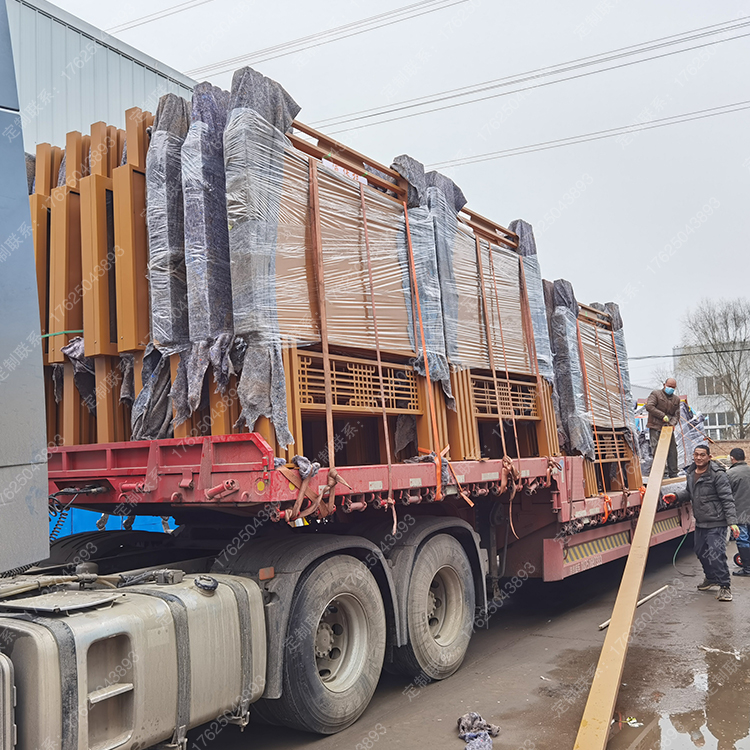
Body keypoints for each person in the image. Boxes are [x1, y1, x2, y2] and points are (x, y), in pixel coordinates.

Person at [664, 445, 740, 601]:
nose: (698, 458)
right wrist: (676, 496)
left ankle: (725, 586)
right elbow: (689, 492)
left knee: (716, 554)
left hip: (717, 522)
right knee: (700, 551)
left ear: (709, 457)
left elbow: (727, 499)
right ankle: (711, 578)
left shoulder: (717, 475)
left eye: (702, 455)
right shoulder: (691, 473)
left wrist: (732, 522)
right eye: (696, 454)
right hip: (701, 522)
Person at [645, 377, 681, 478]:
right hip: (655, 426)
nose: (670, 389)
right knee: (657, 450)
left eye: (673, 387)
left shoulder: (676, 399)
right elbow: (649, 406)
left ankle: (673, 473)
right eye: (669, 386)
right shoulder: (656, 394)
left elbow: (677, 414)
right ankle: (662, 473)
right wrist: (662, 416)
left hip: (668, 428)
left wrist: (672, 424)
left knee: (672, 450)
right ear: (664, 385)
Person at [728, 447, 750, 577]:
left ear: (732, 458)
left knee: (743, 540)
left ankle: (747, 568)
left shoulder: (730, 474)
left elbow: (725, 494)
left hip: (739, 513)